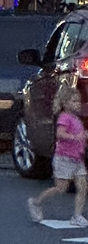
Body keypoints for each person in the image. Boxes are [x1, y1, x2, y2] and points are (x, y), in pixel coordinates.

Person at [28, 85, 88, 226]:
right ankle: (36, 202)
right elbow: (60, 134)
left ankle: (77, 215)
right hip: (64, 158)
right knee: (61, 188)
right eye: (74, 101)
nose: (78, 104)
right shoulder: (64, 118)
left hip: (77, 159)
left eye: (78, 101)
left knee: (83, 186)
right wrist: (74, 137)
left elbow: (80, 137)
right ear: (65, 103)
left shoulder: (76, 119)